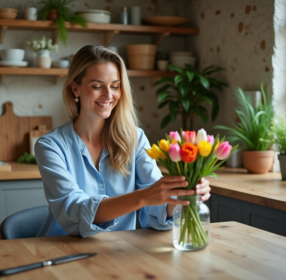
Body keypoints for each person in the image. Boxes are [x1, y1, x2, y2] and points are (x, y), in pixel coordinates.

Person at [35, 45, 211, 237]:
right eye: (97, 86)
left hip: (118, 253)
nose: (108, 95)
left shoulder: (135, 139)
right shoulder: (50, 146)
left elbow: (155, 210)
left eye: (115, 86)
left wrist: (182, 195)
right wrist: (143, 197)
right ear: (75, 88)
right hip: (59, 254)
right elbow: (74, 210)